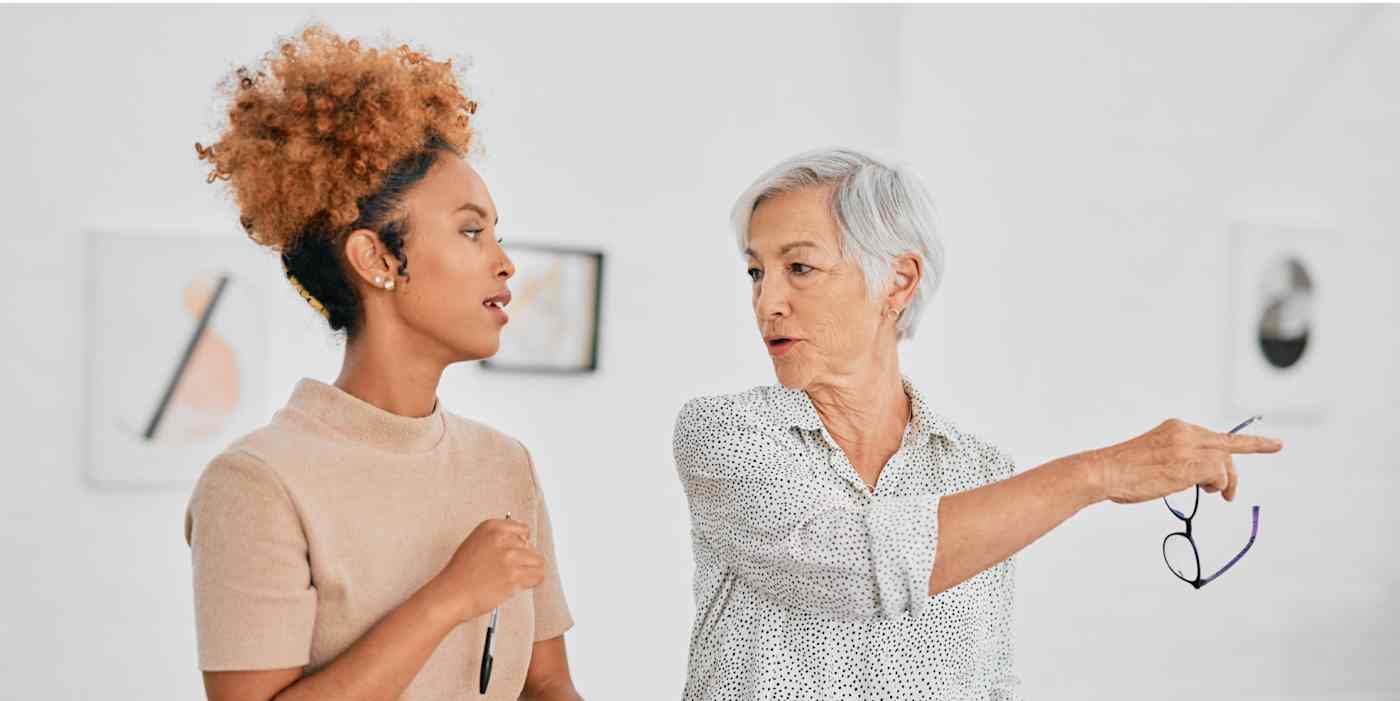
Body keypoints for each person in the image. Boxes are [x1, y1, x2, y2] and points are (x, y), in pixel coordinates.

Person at [672, 148, 1283, 699]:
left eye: (798, 268)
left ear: (898, 281)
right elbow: (856, 568)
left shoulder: (978, 470)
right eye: (756, 272)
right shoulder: (725, 432)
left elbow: (987, 679)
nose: (766, 302)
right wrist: (1096, 474)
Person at [185, 26, 582, 701]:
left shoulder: (505, 465)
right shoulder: (256, 483)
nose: (505, 261)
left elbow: (546, 684)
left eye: (496, 232)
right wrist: (447, 598)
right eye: (470, 230)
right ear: (377, 259)